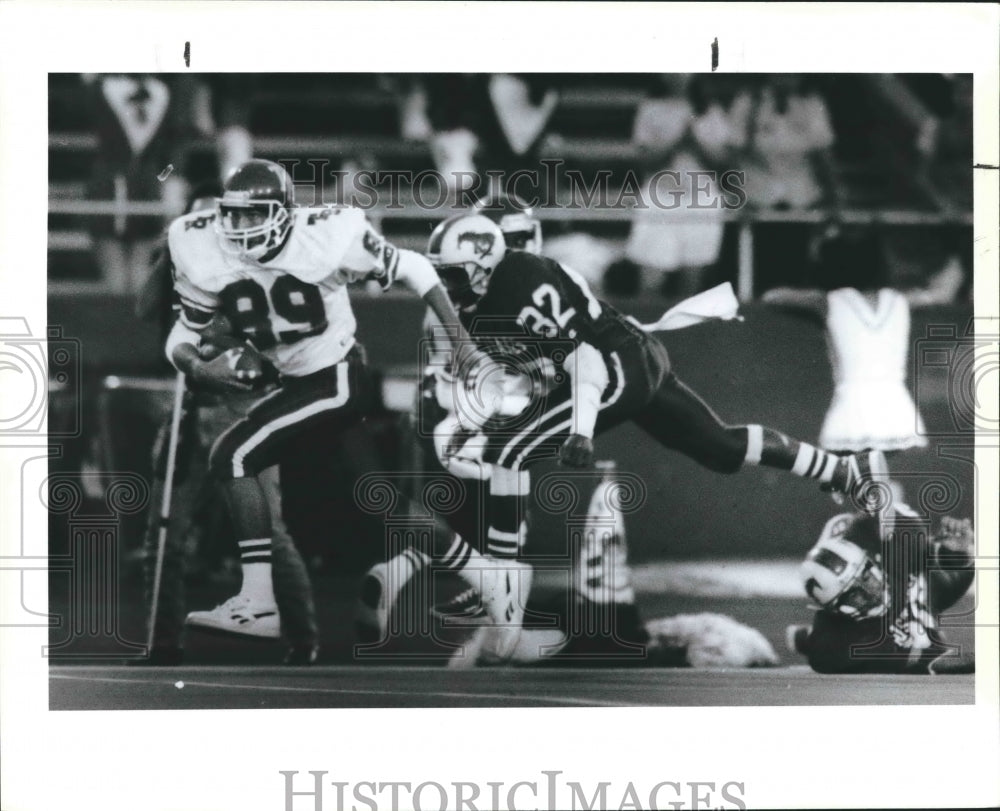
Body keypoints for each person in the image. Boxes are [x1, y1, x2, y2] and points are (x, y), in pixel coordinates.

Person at [418, 213, 889, 664]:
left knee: (507, 451)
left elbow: (585, 361)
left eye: (455, 275)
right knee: (719, 447)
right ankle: (842, 468)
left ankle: (503, 605)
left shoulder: (521, 286)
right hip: (630, 355)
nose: (448, 286)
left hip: (610, 367)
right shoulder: (481, 300)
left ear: (486, 262)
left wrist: (579, 430)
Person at [164, 159, 495, 639]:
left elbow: (415, 265)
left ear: (282, 213)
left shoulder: (328, 234)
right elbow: (186, 329)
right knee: (381, 501)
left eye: (253, 216)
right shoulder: (199, 243)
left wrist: (461, 342)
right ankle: (489, 576)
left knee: (233, 455)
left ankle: (258, 603)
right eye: (232, 215)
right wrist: (198, 364)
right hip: (292, 385)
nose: (239, 227)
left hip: (335, 377)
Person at [762, 225, 954, 453]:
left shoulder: (826, 301)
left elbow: (772, 297)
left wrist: (817, 280)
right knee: (875, 479)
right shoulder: (902, 300)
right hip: (895, 409)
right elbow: (939, 294)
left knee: (852, 481)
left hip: (853, 410)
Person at [788, 499, 975, 674]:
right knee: (919, 634)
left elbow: (945, 586)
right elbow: (933, 659)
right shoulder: (835, 646)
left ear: (869, 560)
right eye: (854, 596)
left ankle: (804, 637)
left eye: (866, 579)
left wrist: (958, 555)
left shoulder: (899, 556)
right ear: (833, 610)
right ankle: (805, 638)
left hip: (906, 615)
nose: (870, 593)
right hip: (880, 640)